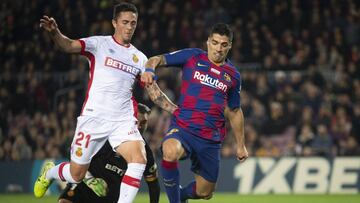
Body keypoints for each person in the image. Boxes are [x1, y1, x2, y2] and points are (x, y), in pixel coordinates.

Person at [34, 2, 177, 203]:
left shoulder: (139, 58)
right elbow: (68, 45)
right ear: (114, 23)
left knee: (139, 160)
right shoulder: (99, 44)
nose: (129, 27)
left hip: (122, 120)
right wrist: (55, 33)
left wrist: (177, 110)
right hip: (94, 118)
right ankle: (50, 172)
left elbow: (154, 92)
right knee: (77, 174)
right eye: (125, 22)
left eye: (133, 23)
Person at [141, 23, 249, 203]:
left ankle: (181, 196)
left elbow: (235, 111)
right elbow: (156, 59)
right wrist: (150, 70)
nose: (218, 48)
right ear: (208, 42)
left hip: (210, 138)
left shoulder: (233, 75)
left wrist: (241, 144)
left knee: (205, 192)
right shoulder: (192, 57)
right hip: (184, 127)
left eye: (224, 44)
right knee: (169, 151)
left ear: (229, 46)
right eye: (215, 43)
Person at [58, 103, 160, 203]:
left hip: (110, 197)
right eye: (136, 121)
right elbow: (72, 153)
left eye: (144, 123)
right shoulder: (104, 134)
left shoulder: (145, 151)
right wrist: (90, 180)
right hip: (85, 185)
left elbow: (153, 184)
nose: (139, 127)